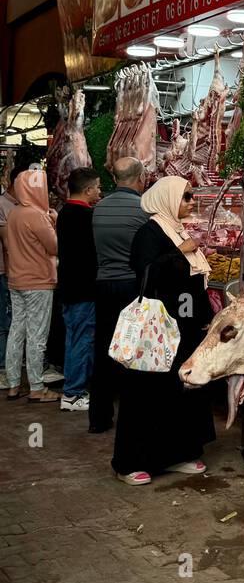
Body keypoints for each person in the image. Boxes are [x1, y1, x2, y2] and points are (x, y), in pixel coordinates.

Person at [111, 176, 215, 485]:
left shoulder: (175, 228)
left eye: (191, 196)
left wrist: (203, 316)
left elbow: (191, 282)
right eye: (186, 197)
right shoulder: (150, 233)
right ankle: (129, 462)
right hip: (157, 328)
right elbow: (146, 272)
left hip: (183, 325)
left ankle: (175, 454)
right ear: (168, 199)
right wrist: (181, 251)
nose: (192, 201)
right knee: (147, 392)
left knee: (179, 390)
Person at [90, 157, 149, 432]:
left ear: (114, 179)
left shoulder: (99, 208)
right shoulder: (143, 209)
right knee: (132, 352)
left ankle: (99, 419)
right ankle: (133, 417)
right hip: (131, 286)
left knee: (103, 349)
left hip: (103, 285)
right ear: (141, 178)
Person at [4, 167, 59, 402]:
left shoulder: (14, 213)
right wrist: (54, 222)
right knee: (37, 335)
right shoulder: (37, 215)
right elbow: (55, 247)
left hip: (16, 280)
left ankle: (14, 384)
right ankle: (36, 387)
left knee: (16, 331)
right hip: (38, 282)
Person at [56, 167, 102, 413]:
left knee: (74, 338)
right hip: (83, 289)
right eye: (97, 187)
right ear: (87, 190)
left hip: (68, 287)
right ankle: (73, 394)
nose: (99, 190)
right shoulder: (86, 216)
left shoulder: (64, 213)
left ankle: (75, 388)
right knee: (81, 340)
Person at [0, 180, 19, 389]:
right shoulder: (3, 205)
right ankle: (5, 369)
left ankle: (10, 374)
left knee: (13, 323)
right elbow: (8, 244)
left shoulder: (17, 208)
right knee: (6, 324)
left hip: (14, 273)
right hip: (7, 271)